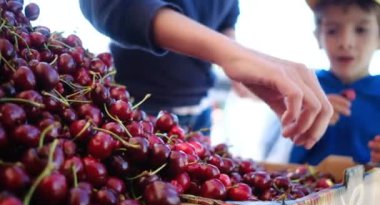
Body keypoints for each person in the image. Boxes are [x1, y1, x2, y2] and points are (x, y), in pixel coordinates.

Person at [79, 0, 333, 149]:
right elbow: (116, 6)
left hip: (198, 114)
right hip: (131, 113)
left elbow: (225, 22)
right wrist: (232, 54)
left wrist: (243, 70)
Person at [266, 0, 380, 165]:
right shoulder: (301, 88)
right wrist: (304, 120)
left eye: (361, 30)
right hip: (307, 187)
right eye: (332, 31)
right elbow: (276, 154)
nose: (345, 43)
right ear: (318, 37)